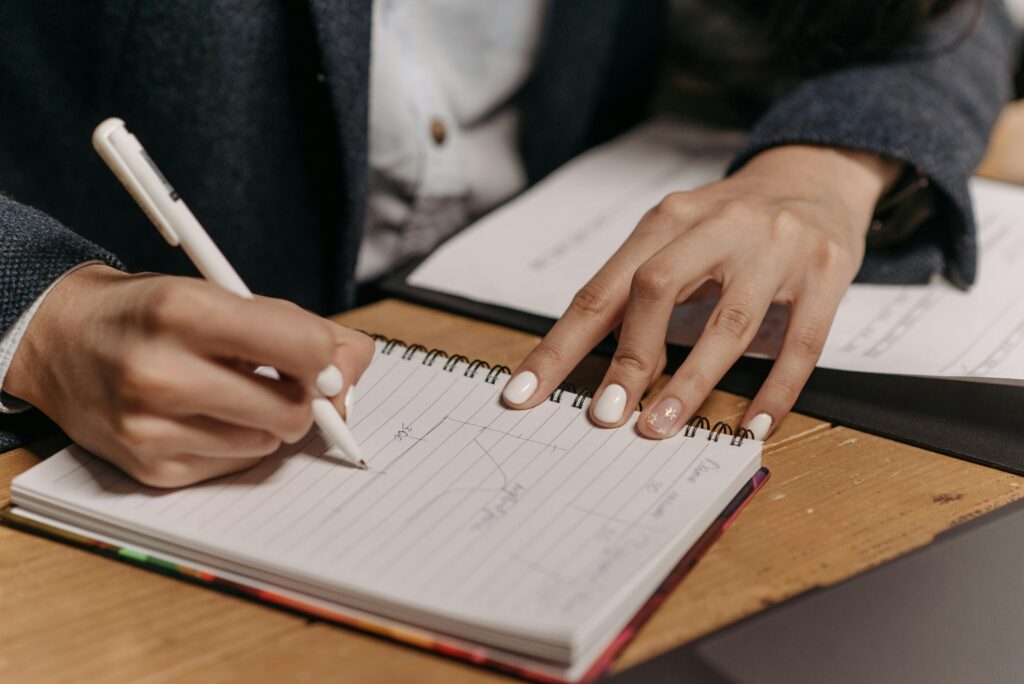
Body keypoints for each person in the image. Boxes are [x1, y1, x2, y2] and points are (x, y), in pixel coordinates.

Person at [0, 1, 1014, 487]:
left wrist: (825, 169)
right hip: (105, 436)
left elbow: (946, 26)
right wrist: (40, 314)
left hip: (507, 317)